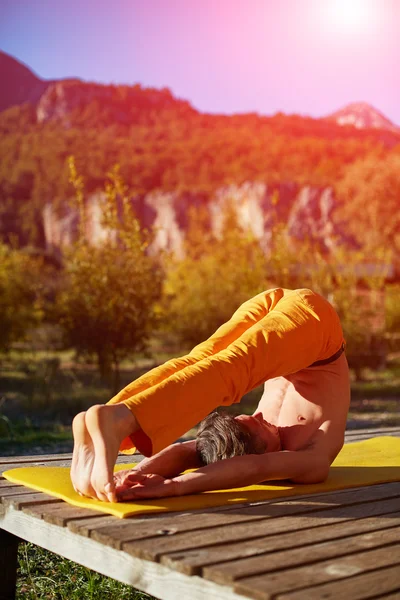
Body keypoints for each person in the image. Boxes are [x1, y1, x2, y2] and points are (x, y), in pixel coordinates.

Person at [70, 287, 350, 503]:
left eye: (246, 421)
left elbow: (189, 451)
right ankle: (119, 418)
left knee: (204, 363)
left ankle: (110, 417)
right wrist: (172, 485)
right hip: (315, 324)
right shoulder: (313, 456)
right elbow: (257, 467)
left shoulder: (247, 447)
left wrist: (136, 475)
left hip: (282, 309)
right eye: (251, 423)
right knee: (224, 367)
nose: (255, 416)